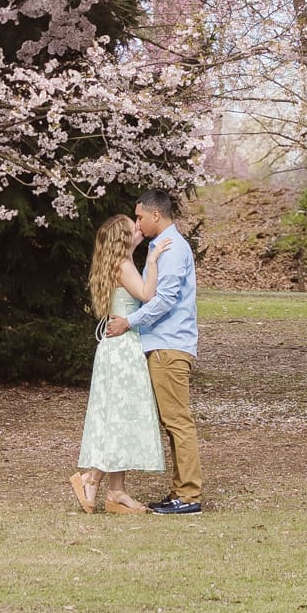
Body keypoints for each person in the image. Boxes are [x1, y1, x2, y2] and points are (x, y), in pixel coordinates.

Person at [107, 187, 203, 515]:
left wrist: (129, 322)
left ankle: (188, 496)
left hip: (168, 346)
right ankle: (180, 491)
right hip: (163, 345)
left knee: (178, 422)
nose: (137, 223)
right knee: (172, 421)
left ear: (156, 215)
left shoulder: (172, 249)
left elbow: (164, 300)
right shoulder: (161, 246)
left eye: (139, 217)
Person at [71, 215, 163, 515]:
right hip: (123, 349)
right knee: (119, 417)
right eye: (132, 225)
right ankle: (93, 479)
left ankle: (115, 490)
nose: (139, 226)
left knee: (116, 416)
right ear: (123, 238)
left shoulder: (116, 263)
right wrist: (154, 260)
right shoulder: (123, 265)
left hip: (113, 348)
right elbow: (147, 295)